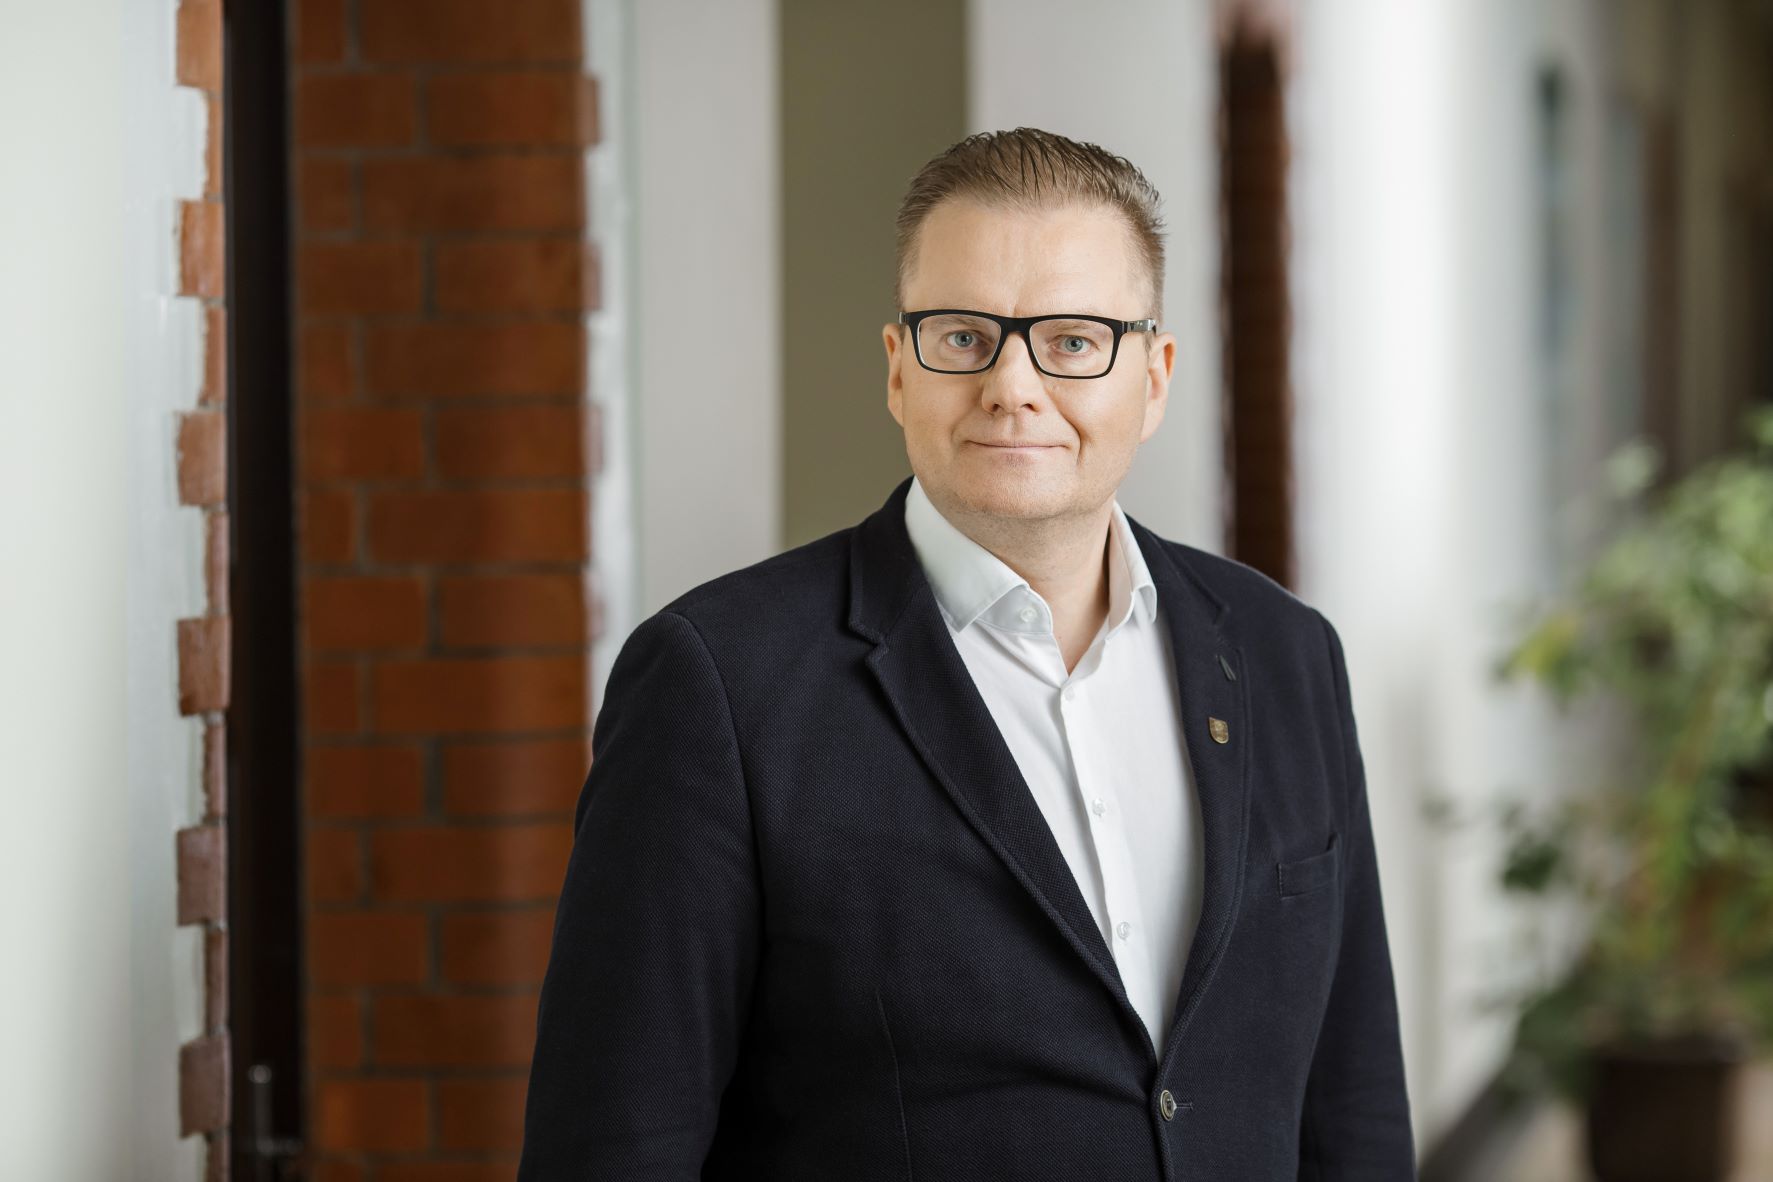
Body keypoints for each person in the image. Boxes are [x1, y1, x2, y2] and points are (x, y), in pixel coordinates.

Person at [517, 126, 1415, 1180]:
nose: (1012, 385)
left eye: (1073, 341)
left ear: (1155, 377)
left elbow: (1353, 1110)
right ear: (899, 370)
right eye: (963, 336)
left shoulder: (1284, 654)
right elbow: (614, 1147)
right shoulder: (717, 683)